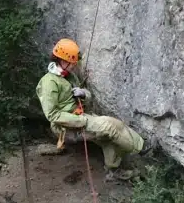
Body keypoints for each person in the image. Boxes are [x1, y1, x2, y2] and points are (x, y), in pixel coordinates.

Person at [35, 38, 144, 180]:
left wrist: (83, 94)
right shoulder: (49, 82)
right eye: (72, 63)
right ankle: (142, 150)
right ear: (62, 60)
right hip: (67, 126)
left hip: (80, 116)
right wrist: (81, 121)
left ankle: (113, 170)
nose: (74, 66)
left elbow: (87, 95)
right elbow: (53, 115)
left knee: (106, 136)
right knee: (111, 126)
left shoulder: (69, 76)